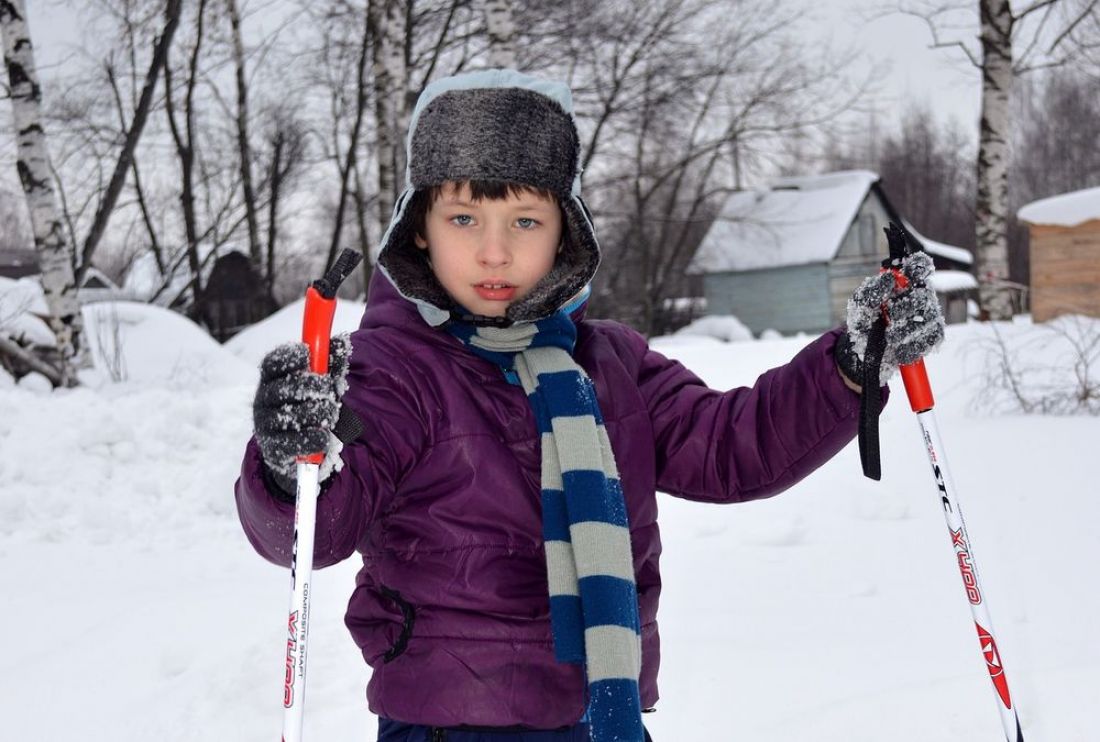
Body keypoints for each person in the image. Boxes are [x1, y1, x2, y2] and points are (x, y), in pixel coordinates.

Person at [237, 69, 944, 742]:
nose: (492, 252)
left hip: (602, 714)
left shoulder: (609, 364)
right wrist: (288, 462)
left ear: (563, 230)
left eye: (523, 221)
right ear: (419, 227)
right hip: (450, 720)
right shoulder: (395, 372)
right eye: (463, 218)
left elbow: (733, 446)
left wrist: (852, 364)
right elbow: (314, 531)